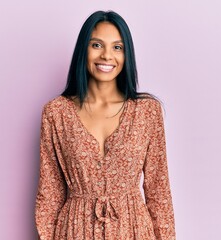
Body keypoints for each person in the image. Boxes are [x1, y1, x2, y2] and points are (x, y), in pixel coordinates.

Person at [35, 10, 176, 240]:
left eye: (117, 47)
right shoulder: (56, 113)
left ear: (126, 54)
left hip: (133, 231)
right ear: (84, 50)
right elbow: (49, 195)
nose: (107, 56)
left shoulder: (147, 112)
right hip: (74, 231)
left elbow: (158, 192)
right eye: (97, 45)